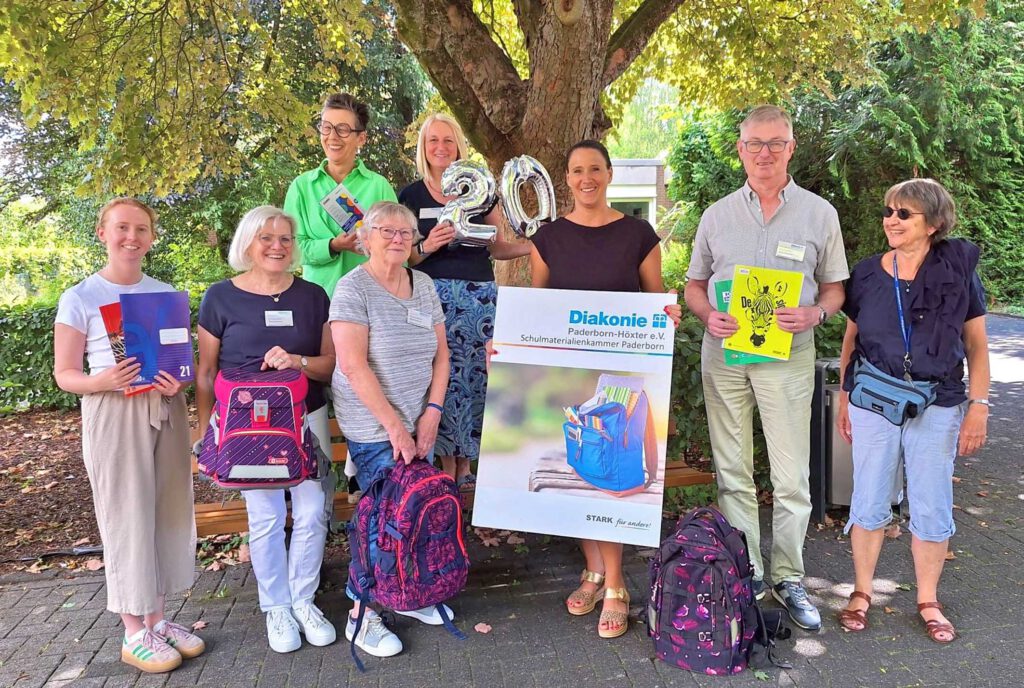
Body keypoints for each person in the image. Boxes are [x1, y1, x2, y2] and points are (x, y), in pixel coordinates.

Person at [683, 105, 849, 631]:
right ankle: (746, 572)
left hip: (789, 359)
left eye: (775, 143)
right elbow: (693, 285)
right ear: (740, 149)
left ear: (791, 148)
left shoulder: (819, 213)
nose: (764, 153)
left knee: (791, 473)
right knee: (732, 469)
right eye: (755, 143)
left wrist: (816, 313)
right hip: (727, 358)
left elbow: (836, 287)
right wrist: (709, 316)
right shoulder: (716, 215)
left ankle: (789, 577)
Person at [530, 140, 681, 639]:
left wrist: (667, 317)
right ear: (566, 178)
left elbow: (656, 301)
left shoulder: (639, 234)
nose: (586, 178)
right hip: (571, 376)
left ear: (609, 174)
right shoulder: (547, 238)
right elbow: (537, 313)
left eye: (595, 169)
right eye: (576, 170)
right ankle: (593, 570)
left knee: (612, 467)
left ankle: (615, 583)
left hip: (621, 380)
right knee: (581, 459)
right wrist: (507, 346)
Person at [835, 179, 989, 643]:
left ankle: (928, 599)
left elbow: (976, 343)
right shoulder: (865, 273)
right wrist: (845, 396)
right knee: (868, 499)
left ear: (934, 223)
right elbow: (851, 339)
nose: (891, 220)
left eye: (905, 213)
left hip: (938, 401)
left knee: (932, 502)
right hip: (875, 402)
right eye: (888, 211)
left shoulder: (958, 269)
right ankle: (861, 592)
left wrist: (978, 407)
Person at [53, 198, 204, 673]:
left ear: (152, 237)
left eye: (141, 229)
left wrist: (177, 381)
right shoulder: (80, 297)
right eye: (121, 227)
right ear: (102, 233)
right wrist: (104, 381)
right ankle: (132, 629)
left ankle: (157, 620)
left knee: (165, 510)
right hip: (114, 412)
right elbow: (65, 374)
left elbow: (185, 364)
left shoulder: (163, 294)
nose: (131, 237)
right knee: (126, 514)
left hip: (164, 407)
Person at [196, 206, 337, 653]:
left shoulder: (314, 296)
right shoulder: (220, 297)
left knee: (313, 511)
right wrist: (205, 432)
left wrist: (297, 361)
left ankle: (303, 599)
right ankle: (275, 606)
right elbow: (205, 373)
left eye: (285, 238)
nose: (277, 246)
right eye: (267, 238)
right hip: (247, 428)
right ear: (249, 243)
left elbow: (329, 366)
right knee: (268, 516)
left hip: (304, 420)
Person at [330, 201, 452, 657]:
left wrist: (433, 412)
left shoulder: (423, 285)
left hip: (420, 420)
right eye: (387, 230)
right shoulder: (352, 289)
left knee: (413, 510)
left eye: (406, 232)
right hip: (374, 426)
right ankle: (361, 614)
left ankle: (411, 592)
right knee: (381, 519)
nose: (398, 238)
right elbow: (352, 366)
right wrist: (396, 430)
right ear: (365, 236)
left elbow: (442, 356)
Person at [399, 113, 530, 485]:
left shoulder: (482, 191)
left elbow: (496, 247)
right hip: (430, 298)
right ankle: (444, 465)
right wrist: (428, 245)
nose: (440, 147)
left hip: (478, 299)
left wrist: (533, 248)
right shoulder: (410, 195)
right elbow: (403, 256)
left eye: (448, 140)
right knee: (439, 378)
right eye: (432, 141)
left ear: (459, 147)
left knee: (478, 379)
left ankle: (470, 465)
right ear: (424, 148)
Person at [284, 92, 398, 299]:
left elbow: (398, 246)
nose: (332, 136)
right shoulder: (301, 187)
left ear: (361, 138)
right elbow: (290, 247)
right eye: (326, 127)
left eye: (343, 129)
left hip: (371, 301)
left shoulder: (379, 187)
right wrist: (332, 246)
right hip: (317, 303)